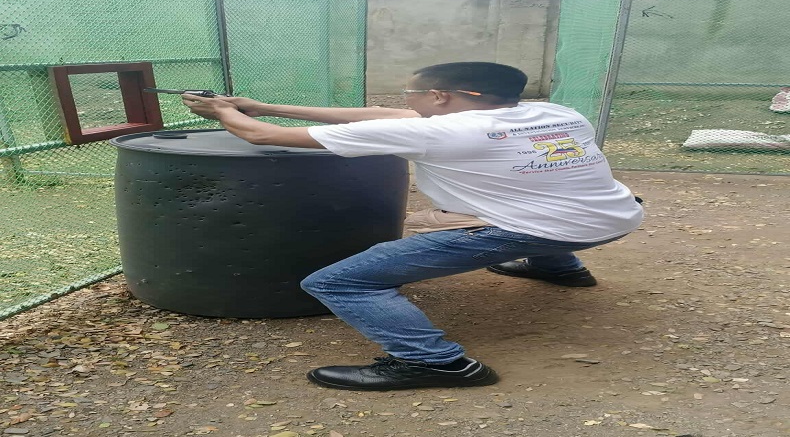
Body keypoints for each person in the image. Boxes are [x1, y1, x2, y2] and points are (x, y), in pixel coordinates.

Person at [181, 62, 644, 391]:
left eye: (411, 93)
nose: (406, 101)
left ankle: (436, 363)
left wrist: (225, 113)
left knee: (338, 282)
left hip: (536, 230)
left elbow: (262, 137)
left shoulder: (438, 131)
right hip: (615, 218)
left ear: (440, 96)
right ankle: (560, 269)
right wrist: (262, 105)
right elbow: (395, 118)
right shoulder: (556, 113)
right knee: (539, 206)